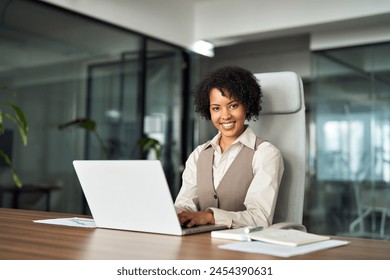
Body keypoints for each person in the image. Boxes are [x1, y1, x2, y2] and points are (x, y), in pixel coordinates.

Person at [174, 66, 284, 229]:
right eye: (216, 108)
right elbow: (185, 205)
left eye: (233, 106)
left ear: (247, 106)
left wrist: (209, 217)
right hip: (201, 243)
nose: (225, 116)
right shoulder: (199, 154)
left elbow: (259, 218)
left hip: (244, 247)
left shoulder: (265, 154)